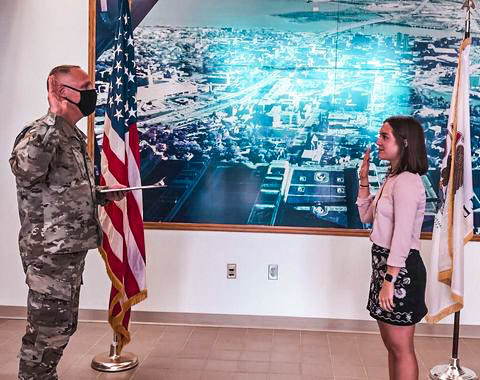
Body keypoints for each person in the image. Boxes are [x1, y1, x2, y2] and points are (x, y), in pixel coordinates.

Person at [9, 65, 126, 380]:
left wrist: (100, 194)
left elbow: (60, 188)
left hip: (69, 249)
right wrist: (54, 115)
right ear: (61, 92)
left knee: (61, 325)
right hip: (48, 252)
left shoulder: (72, 135)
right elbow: (26, 172)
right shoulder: (39, 133)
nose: (92, 91)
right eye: (85, 86)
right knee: (47, 330)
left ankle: (43, 375)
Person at [356, 116, 428, 380]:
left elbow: (402, 235)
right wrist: (363, 180)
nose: (378, 141)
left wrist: (389, 279)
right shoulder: (393, 177)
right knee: (392, 347)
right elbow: (367, 217)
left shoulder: (408, 181)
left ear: (405, 143)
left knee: (401, 348)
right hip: (385, 267)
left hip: (399, 271)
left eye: (385, 136)